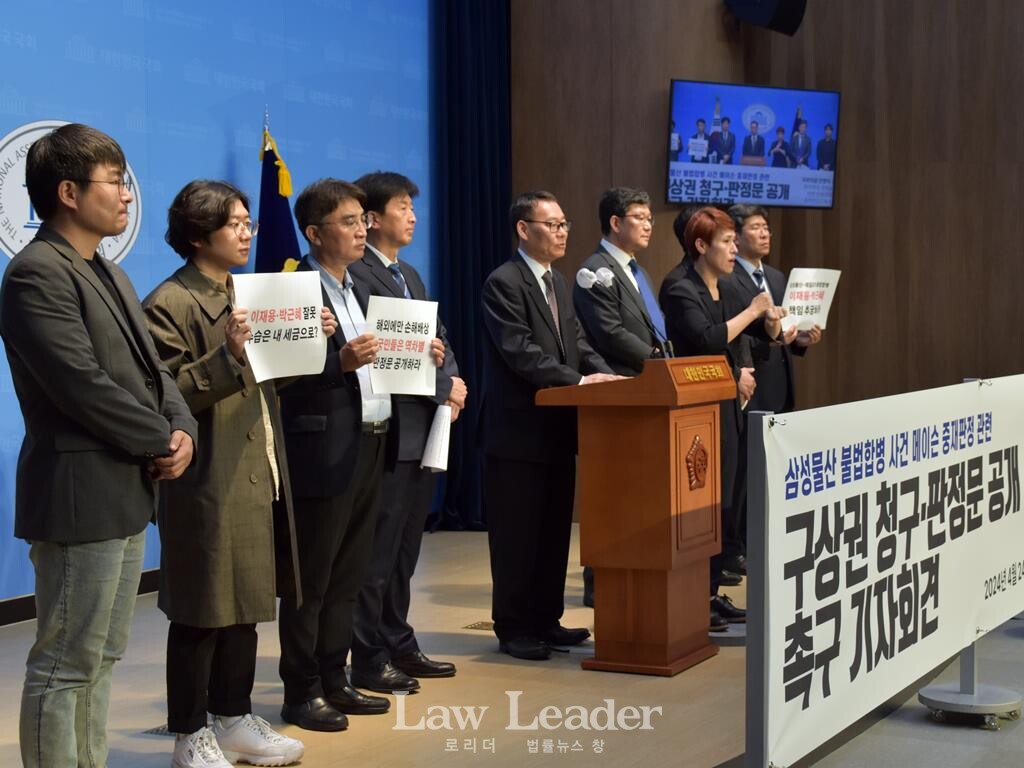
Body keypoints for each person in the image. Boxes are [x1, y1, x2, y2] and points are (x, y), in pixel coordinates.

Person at [0, 123, 197, 768]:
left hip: (124, 489)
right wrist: (157, 438)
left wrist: (182, 429)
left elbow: (154, 374)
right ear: (67, 191)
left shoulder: (107, 272)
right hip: (79, 495)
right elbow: (79, 386)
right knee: (65, 661)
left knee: (102, 655)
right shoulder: (35, 273)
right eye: (115, 183)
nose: (127, 197)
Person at [143, 181, 338, 767]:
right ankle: (189, 732)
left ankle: (233, 716)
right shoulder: (170, 302)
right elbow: (165, 395)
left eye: (250, 221)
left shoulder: (249, 293)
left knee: (248, 604)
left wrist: (310, 344)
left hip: (258, 468)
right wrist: (227, 356)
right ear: (199, 233)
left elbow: (269, 382)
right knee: (202, 610)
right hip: (207, 479)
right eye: (235, 223)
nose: (248, 231)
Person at [275, 178, 445, 731]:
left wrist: (425, 353)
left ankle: (336, 678)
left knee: (349, 576)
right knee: (313, 583)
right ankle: (301, 691)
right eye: (348, 222)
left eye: (360, 220)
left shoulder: (356, 289)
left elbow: (385, 364)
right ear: (314, 232)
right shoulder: (294, 287)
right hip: (322, 452)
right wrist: (338, 363)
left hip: (374, 443)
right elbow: (281, 379)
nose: (359, 229)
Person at [481, 191, 618, 660]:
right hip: (517, 434)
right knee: (517, 534)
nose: (562, 232)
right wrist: (581, 379)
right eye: (552, 224)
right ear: (524, 229)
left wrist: (613, 378)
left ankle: (546, 618)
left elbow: (577, 343)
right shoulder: (503, 282)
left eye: (564, 224)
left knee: (554, 530)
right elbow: (520, 351)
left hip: (558, 431)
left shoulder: (559, 283)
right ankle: (514, 627)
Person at [347, 171, 466, 693]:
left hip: (424, 425)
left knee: (405, 550)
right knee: (377, 553)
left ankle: (398, 638)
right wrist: (436, 374)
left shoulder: (409, 274)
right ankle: (368, 653)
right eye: (402, 207)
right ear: (372, 219)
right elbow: (389, 353)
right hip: (387, 432)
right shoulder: (358, 275)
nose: (413, 216)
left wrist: (452, 382)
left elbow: (436, 339)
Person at [658, 206, 781, 630]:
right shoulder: (679, 287)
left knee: (722, 503)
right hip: (695, 412)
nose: (734, 250)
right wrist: (753, 311)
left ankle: (710, 592)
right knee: (701, 504)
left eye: (733, 241)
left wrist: (769, 322)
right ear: (700, 246)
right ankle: (697, 596)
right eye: (727, 243)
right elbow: (706, 339)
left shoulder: (723, 287)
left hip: (726, 406)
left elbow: (750, 335)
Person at [724, 205, 822, 579]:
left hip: (781, 385)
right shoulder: (730, 278)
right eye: (756, 228)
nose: (765, 234)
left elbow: (787, 333)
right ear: (736, 233)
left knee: (767, 473)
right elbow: (744, 337)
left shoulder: (778, 277)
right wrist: (776, 339)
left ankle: (754, 542)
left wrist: (803, 339)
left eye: (767, 228)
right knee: (741, 473)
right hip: (750, 383)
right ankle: (733, 548)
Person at [573, 186, 666, 377]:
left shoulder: (641, 272)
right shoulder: (594, 271)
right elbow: (610, 333)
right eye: (639, 218)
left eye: (649, 219)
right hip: (621, 378)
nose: (647, 226)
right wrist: (655, 358)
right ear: (616, 223)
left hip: (655, 376)